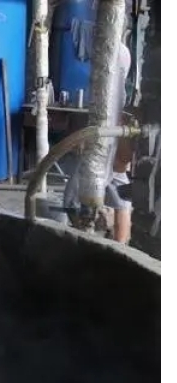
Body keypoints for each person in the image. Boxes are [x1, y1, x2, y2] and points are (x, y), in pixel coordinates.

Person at [64, 33, 133, 243]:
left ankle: (86, 238)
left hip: (105, 138)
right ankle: (121, 247)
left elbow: (105, 102)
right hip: (113, 132)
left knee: (72, 197)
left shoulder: (111, 52)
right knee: (121, 200)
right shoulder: (124, 54)